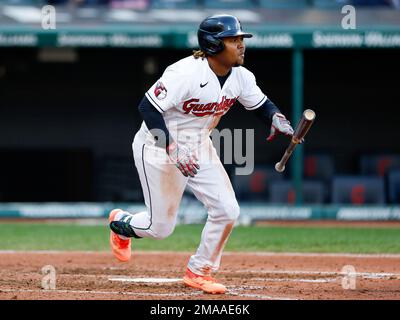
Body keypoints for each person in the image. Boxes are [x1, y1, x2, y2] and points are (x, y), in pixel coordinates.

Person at [108, 14, 294, 294]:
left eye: (241, 40)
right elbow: (147, 108)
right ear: (213, 44)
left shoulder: (241, 77)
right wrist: (172, 147)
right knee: (160, 229)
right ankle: (119, 223)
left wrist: (276, 117)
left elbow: (261, 105)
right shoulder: (185, 73)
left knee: (227, 210)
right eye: (234, 40)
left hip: (198, 145)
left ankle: (200, 270)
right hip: (158, 147)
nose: (241, 45)